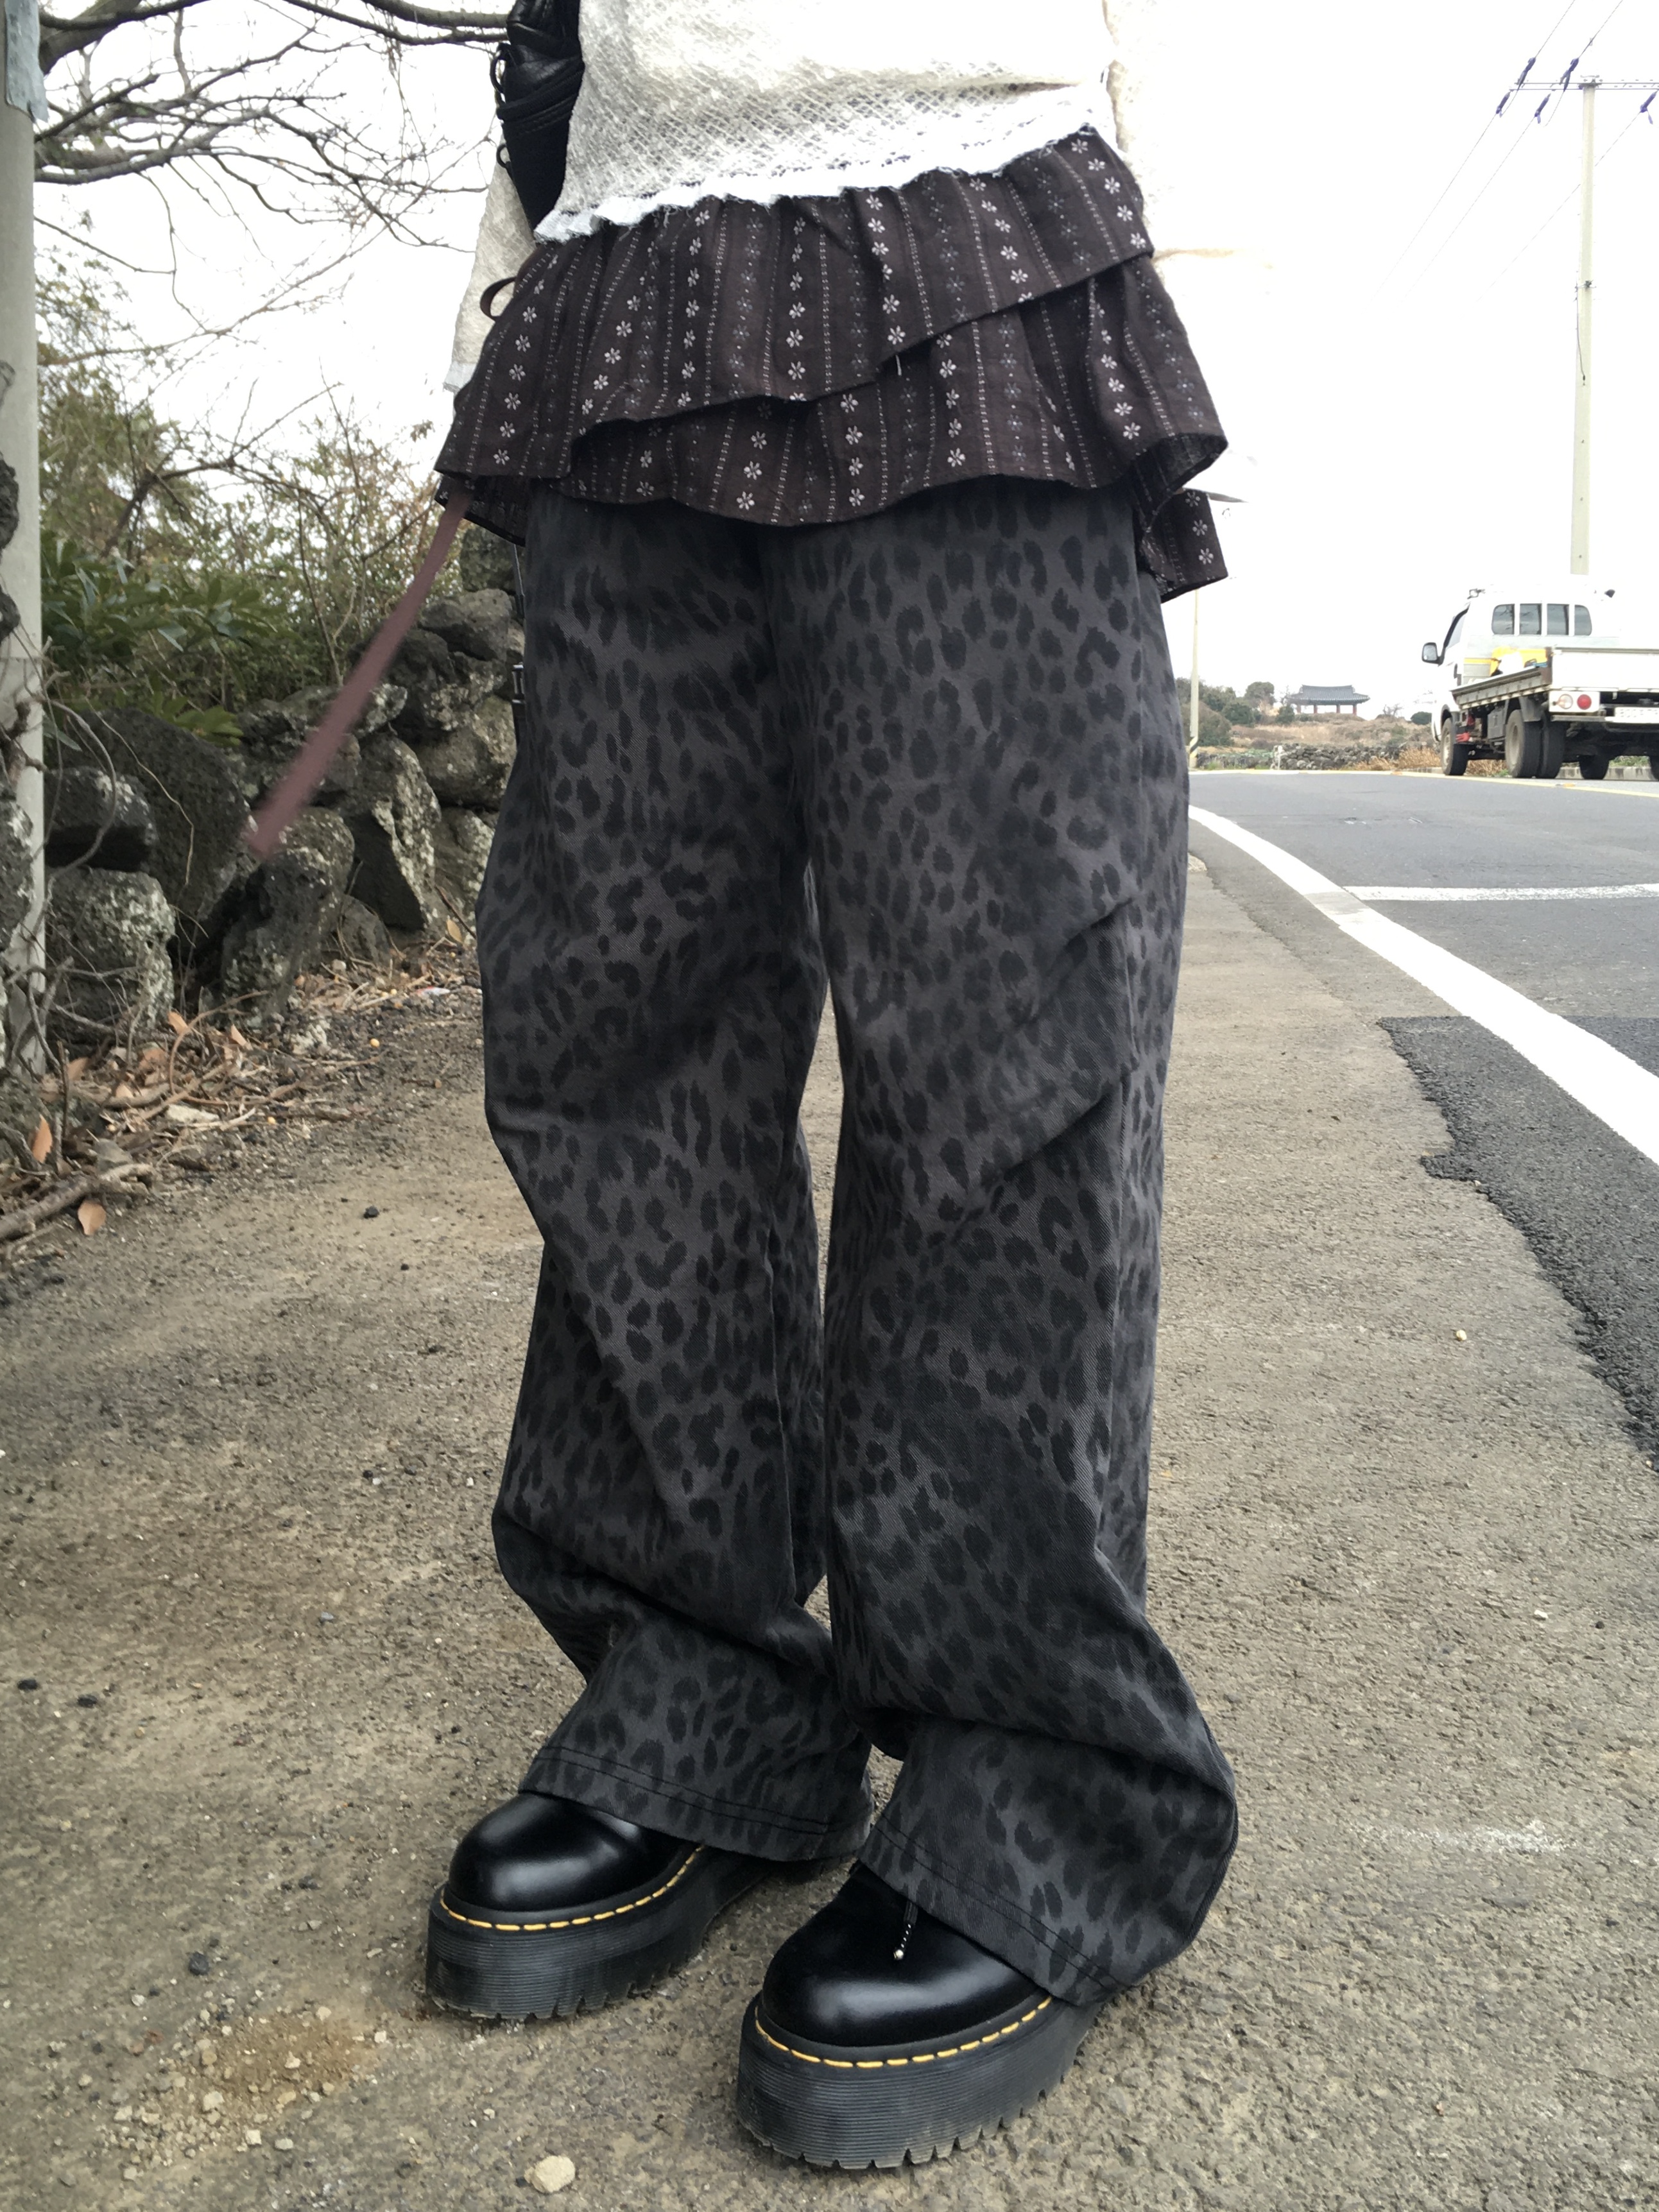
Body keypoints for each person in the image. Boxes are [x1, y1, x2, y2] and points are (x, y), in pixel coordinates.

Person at [424, 0, 1237, 2170]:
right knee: (613, 1021)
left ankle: (1034, 1777)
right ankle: (696, 1697)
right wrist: (515, 252)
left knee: (997, 1029)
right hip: (622, 251)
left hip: (971, 228)